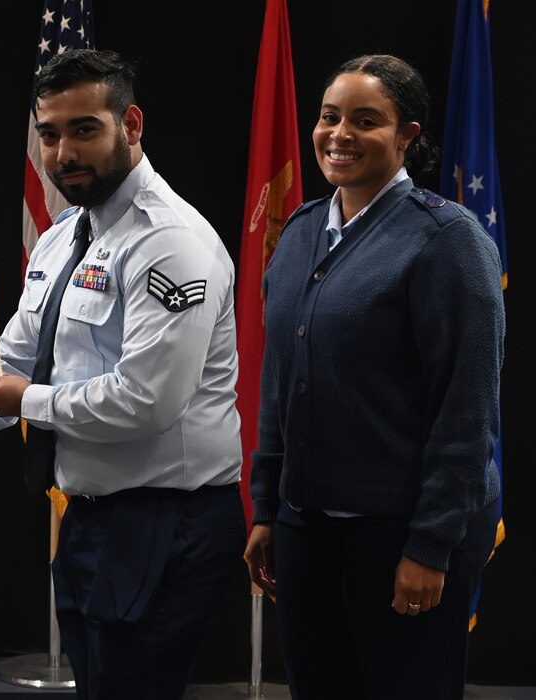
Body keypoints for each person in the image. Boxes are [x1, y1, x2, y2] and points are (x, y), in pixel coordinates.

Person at [0, 49, 247, 699]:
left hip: (166, 523)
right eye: (49, 133)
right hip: (93, 523)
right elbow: (8, 365)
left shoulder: (170, 242)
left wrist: (28, 401)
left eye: (84, 129)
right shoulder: (64, 235)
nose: (64, 152)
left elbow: (147, 402)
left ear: (131, 125)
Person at [243, 54, 504, 700]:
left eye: (365, 120)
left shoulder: (447, 240)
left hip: (401, 537)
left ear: (407, 135)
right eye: (329, 117)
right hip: (306, 529)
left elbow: (467, 412)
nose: (340, 134)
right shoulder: (300, 231)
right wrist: (268, 508)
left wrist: (430, 546)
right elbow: (279, 386)